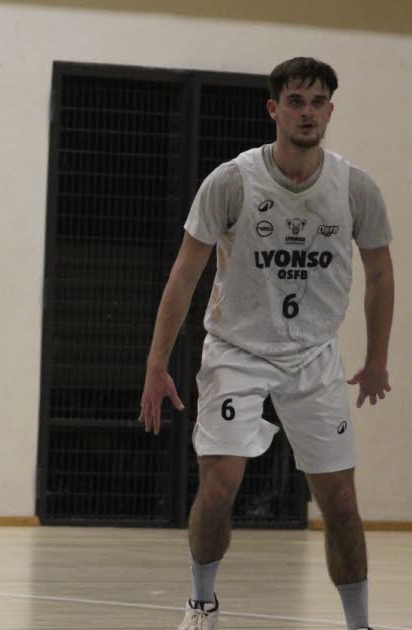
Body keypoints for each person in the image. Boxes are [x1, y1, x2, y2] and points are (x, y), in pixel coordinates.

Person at [138, 57, 392, 630]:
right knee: (220, 485)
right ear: (274, 109)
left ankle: (360, 623)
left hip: (314, 355)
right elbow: (183, 275)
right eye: (297, 101)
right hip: (237, 351)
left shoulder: (354, 187)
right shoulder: (232, 181)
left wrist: (377, 358)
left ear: (330, 110)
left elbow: (381, 273)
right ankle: (201, 603)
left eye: (318, 102)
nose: (308, 112)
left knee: (343, 505)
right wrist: (157, 363)